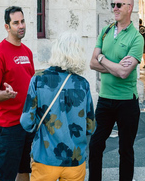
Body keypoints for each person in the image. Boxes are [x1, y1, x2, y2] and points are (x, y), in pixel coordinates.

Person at [20, 31, 95, 181]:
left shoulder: (38, 80)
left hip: (45, 158)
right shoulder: (83, 84)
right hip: (75, 159)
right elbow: (90, 126)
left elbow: (26, 122)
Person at [88, 0, 144, 181]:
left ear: (130, 8)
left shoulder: (137, 38)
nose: (115, 8)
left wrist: (103, 59)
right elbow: (92, 63)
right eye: (114, 4)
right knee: (95, 144)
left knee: (125, 149)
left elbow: (123, 73)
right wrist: (114, 64)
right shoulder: (105, 31)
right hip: (105, 100)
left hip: (127, 102)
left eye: (120, 5)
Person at [0, 6, 35, 181]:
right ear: (7, 27)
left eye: (22, 21)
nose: (21, 26)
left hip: (27, 123)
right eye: (16, 23)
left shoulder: (27, 52)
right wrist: (5, 94)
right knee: (2, 175)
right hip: (8, 126)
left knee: (24, 170)